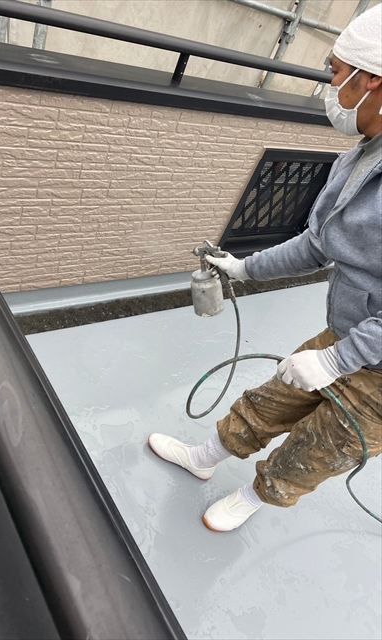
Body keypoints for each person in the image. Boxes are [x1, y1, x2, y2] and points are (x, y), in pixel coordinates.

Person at [148, 4, 382, 532]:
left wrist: (341, 359)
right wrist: (244, 269)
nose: (331, 85)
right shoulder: (364, 154)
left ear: (372, 79)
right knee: (275, 397)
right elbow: (319, 243)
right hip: (353, 329)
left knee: (322, 444)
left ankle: (255, 497)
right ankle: (204, 458)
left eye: (336, 71)